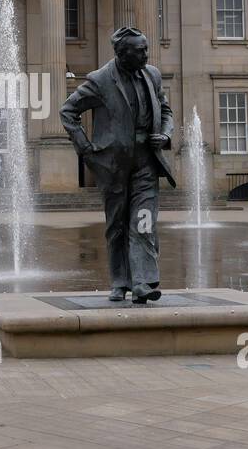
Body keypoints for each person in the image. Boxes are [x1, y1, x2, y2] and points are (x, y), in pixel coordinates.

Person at [61, 26, 175, 304]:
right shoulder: (100, 80)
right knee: (117, 225)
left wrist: (166, 134)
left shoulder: (153, 75)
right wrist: (86, 151)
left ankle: (142, 282)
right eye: (140, 50)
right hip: (113, 164)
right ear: (122, 54)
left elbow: (166, 111)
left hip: (147, 160)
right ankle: (119, 281)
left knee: (143, 220)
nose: (147, 54)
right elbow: (68, 111)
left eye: (146, 49)